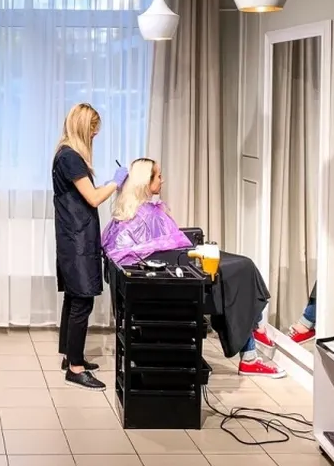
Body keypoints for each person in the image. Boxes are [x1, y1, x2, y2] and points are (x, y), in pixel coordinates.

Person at [103, 158, 286, 378]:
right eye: (158, 176)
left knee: (237, 267)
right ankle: (252, 343)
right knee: (242, 268)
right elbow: (154, 251)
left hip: (174, 263)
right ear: (146, 182)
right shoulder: (145, 214)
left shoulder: (134, 210)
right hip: (173, 274)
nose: (162, 180)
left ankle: (254, 329)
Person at [53, 102, 127, 391]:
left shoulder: (64, 154)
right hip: (77, 239)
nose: (95, 135)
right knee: (82, 300)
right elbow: (93, 198)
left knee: (74, 297)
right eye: (93, 129)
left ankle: (70, 356)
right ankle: (76, 369)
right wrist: (115, 183)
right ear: (84, 127)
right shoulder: (70, 157)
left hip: (74, 236)